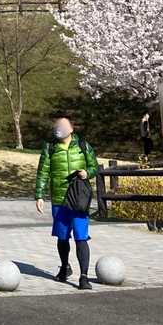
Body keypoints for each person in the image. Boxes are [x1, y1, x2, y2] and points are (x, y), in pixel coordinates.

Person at [34, 115, 99, 290]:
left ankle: (84, 277)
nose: (59, 128)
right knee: (62, 237)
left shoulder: (83, 146)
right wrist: (39, 195)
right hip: (59, 199)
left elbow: (95, 167)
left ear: (71, 129)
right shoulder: (50, 148)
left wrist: (87, 173)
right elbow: (42, 172)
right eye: (57, 126)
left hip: (78, 199)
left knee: (81, 237)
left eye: (63, 126)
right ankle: (64, 267)